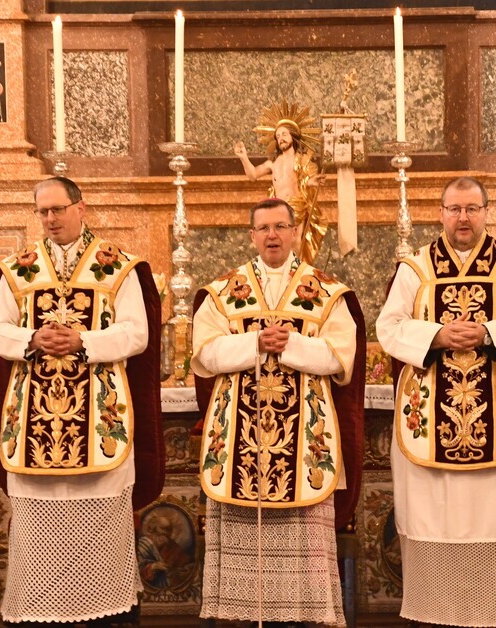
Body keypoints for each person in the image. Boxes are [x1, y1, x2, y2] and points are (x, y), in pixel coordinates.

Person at [0, 176, 163, 627]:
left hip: (100, 419)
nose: (50, 219)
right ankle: (39, 614)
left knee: (100, 537)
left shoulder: (118, 267)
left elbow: (136, 332)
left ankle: (104, 615)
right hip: (34, 419)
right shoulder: (19, 269)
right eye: (42, 211)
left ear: (80, 208)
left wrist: (84, 341)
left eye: (57, 209)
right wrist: (32, 338)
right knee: (38, 541)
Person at [377, 176, 496, 627]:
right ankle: (437, 615)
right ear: (441, 213)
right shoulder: (415, 268)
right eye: (454, 209)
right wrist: (437, 336)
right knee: (433, 521)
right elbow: (388, 327)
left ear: (485, 212)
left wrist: (489, 333)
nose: (463, 218)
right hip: (429, 418)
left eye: (472, 208)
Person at [193, 198, 363, 627]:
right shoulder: (223, 292)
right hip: (238, 439)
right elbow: (205, 354)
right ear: (252, 235)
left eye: (281, 226)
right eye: (264, 228)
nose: (272, 235)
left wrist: (291, 345)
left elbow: (341, 358)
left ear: (295, 232)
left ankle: (303, 616)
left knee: (303, 547)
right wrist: (253, 343)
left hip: (305, 439)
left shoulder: (327, 292)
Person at [234, 104, 325, 264]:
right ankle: (283, 271)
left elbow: (305, 180)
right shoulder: (273, 163)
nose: (280, 138)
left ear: (293, 136)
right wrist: (243, 158)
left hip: (296, 206)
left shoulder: (300, 160)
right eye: (277, 136)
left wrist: (311, 181)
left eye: (284, 134)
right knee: (279, 244)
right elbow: (253, 174)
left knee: (295, 242)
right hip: (278, 209)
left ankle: (297, 273)